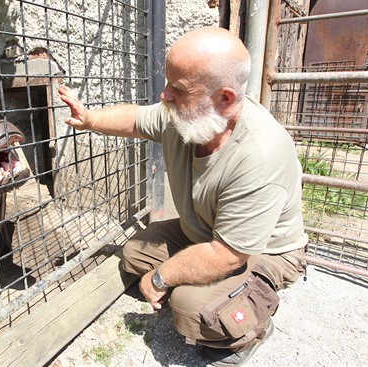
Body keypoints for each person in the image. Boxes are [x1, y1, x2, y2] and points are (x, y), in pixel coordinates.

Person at [58, 27, 307, 366]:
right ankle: (210, 290)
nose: (164, 95)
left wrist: (162, 278)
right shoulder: (189, 112)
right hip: (207, 232)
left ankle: (247, 333)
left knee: (190, 308)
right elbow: (136, 120)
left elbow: (228, 254)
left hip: (259, 251)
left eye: (177, 88)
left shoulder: (261, 155)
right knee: (133, 255)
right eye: (167, 82)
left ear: (225, 98)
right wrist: (90, 119)